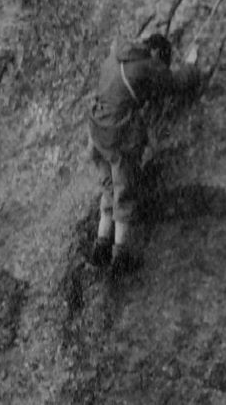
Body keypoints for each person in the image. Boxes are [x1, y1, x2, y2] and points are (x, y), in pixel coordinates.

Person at [87, 31, 199, 276]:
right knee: (123, 189)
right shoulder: (147, 66)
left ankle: (101, 245)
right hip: (116, 135)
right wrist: (190, 65)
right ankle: (120, 257)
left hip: (96, 129)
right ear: (157, 54)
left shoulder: (118, 53)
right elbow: (175, 83)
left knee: (108, 187)